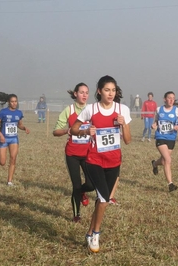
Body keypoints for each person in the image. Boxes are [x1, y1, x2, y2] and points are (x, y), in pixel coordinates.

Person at [70, 75, 131, 253]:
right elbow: (74, 128)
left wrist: (123, 125)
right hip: (94, 160)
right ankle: (96, 233)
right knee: (104, 199)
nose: (110, 93)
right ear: (99, 91)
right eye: (107, 90)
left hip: (114, 161)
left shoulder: (122, 110)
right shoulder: (91, 109)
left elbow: (127, 140)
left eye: (113, 90)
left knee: (101, 200)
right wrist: (86, 130)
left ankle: (89, 233)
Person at [53, 83, 95, 223]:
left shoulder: (91, 110)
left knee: (91, 185)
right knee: (76, 185)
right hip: (72, 154)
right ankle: (76, 215)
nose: (84, 95)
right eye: (81, 92)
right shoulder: (69, 110)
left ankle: (82, 191)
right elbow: (56, 131)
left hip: (88, 153)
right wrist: (67, 130)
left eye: (87, 92)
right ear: (76, 94)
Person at [151, 91, 178, 192]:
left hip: (171, 139)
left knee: (163, 161)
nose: (171, 100)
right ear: (165, 99)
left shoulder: (177, 110)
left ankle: (154, 164)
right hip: (160, 137)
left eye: (173, 98)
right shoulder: (159, 109)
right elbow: (156, 121)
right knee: (168, 160)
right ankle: (170, 184)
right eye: (169, 98)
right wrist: (154, 125)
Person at [0, 92, 30, 186]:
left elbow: (19, 125)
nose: (14, 103)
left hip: (14, 139)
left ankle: (9, 181)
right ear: (8, 102)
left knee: (13, 159)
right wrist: (0, 135)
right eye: (12, 102)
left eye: (15, 101)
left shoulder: (19, 113)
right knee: (2, 162)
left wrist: (24, 128)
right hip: (3, 139)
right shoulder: (3, 112)